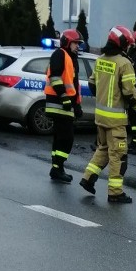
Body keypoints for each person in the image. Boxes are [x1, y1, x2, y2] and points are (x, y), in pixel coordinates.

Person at [79, 26, 136, 204]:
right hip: (116, 121)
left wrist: (105, 97)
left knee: (104, 149)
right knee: (119, 156)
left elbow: (92, 85)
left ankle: (88, 178)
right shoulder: (124, 63)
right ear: (122, 44)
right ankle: (115, 192)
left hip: (100, 117)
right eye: (127, 45)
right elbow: (129, 92)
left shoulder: (100, 60)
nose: (129, 48)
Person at [44, 29, 82, 183]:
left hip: (66, 104)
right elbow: (55, 77)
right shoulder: (60, 54)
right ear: (67, 42)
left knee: (61, 137)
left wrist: (77, 105)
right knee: (66, 138)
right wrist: (64, 97)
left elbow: (74, 84)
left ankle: (57, 168)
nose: (77, 46)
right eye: (75, 43)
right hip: (58, 103)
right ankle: (57, 167)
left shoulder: (72, 58)